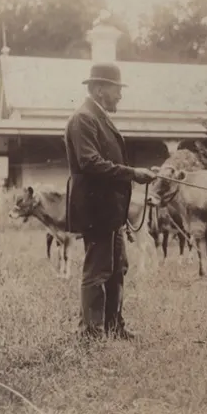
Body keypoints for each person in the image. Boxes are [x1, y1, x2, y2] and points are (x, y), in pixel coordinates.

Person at [64, 62, 156, 340]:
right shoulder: (84, 119)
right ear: (100, 89)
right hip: (96, 209)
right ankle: (91, 334)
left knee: (117, 268)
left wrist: (136, 175)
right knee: (98, 270)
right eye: (116, 90)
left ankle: (114, 328)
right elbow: (90, 162)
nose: (120, 96)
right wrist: (133, 173)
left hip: (109, 209)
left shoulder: (97, 116)